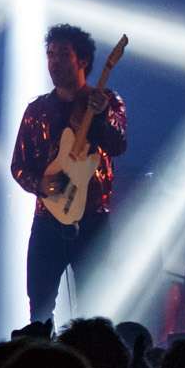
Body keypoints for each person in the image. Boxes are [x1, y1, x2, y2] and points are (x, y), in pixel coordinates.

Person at [10, 23, 127, 328]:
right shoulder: (37, 110)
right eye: (50, 54)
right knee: (39, 306)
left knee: (96, 308)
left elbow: (118, 145)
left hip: (92, 220)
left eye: (63, 54)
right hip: (48, 219)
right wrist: (40, 184)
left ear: (82, 60)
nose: (54, 62)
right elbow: (18, 165)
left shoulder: (108, 101)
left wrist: (102, 115)